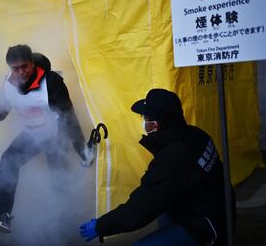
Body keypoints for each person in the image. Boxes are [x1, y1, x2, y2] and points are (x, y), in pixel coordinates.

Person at [0, 44, 96, 233]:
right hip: (31, 135)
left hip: (55, 136)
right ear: (10, 68)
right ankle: (2, 214)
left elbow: (69, 117)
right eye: (16, 68)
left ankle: (67, 224)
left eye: (25, 66)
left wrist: (82, 150)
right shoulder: (8, 84)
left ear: (32, 63)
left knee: (59, 181)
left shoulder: (51, 81)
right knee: (8, 161)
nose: (21, 71)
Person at [79, 88, 234, 245]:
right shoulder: (195, 134)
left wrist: (101, 226)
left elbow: (140, 209)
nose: (143, 122)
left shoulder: (174, 158)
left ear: (155, 125)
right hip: (217, 208)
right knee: (162, 209)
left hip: (207, 225)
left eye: (145, 118)